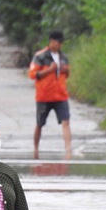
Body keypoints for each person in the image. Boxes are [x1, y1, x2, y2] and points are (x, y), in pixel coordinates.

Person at [28, 30, 72, 160]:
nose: (60, 45)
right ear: (51, 41)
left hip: (61, 95)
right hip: (44, 96)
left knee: (66, 121)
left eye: (61, 42)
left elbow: (66, 75)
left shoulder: (64, 57)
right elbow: (32, 75)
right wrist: (49, 70)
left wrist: (66, 70)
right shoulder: (40, 56)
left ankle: (68, 149)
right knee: (40, 123)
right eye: (58, 42)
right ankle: (36, 148)